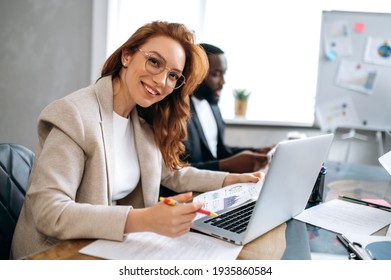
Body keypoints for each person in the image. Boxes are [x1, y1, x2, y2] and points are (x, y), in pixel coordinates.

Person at [11, 21, 262, 260]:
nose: (161, 81)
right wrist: (145, 220)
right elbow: (50, 211)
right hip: (56, 256)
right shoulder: (74, 114)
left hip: (106, 247)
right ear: (127, 56)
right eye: (154, 62)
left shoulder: (140, 121)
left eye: (173, 75)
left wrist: (233, 180)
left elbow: (172, 175)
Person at [183, 43, 274, 173]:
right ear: (196, 73)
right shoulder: (179, 112)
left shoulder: (213, 107)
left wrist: (256, 151)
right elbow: (177, 174)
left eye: (224, 73)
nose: (223, 81)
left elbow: (219, 151)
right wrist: (225, 165)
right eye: (216, 74)